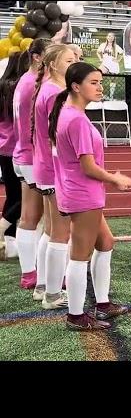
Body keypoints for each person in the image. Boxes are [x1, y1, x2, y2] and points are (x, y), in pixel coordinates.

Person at [49, 62, 131, 330]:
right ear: (76, 86)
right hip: (83, 194)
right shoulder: (75, 119)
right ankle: (75, 316)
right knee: (79, 255)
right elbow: (87, 166)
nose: (100, 87)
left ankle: (103, 303)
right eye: (94, 83)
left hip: (80, 192)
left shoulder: (69, 114)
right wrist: (114, 178)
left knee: (106, 242)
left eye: (100, 82)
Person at [31, 44, 76, 308]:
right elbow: (58, 136)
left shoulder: (47, 88)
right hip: (54, 169)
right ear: (53, 65)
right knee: (60, 233)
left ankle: (42, 286)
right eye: (69, 60)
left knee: (49, 231)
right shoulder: (56, 92)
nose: (75, 63)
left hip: (44, 166)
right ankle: (52, 294)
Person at [12, 38, 51, 289]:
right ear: (37, 57)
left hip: (23, 153)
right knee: (45, 219)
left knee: (30, 217)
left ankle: (30, 273)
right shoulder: (34, 84)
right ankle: (42, 276)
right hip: (32, 155)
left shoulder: (24, 82)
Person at [0, 52, 25, 260]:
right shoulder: (18, 87)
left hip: (3, 146)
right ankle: (2, 230)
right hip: (15, 147)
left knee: (12, 195)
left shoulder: (2, 85)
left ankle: (9, 242)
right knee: (24, 197)